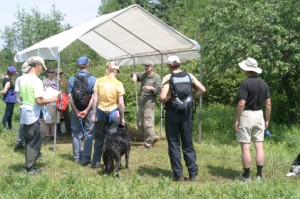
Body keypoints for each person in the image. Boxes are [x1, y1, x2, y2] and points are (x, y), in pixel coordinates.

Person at [160, 55, 206, 182]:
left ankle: (178, 175)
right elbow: (202, 89)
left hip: (172, 113)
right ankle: (193, 174)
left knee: (174, 144)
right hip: (187, 113)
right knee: (188, 143)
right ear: (179, 64)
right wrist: (192, 98)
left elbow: (163, 97)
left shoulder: (168, 77)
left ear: (169, 66)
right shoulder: (189, 76)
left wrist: (168, 99)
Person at [233, 57, 271, 181]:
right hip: (259, 114)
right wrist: (267, 119)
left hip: (247, 115)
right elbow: (268, 104)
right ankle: (259, 175)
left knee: (245, 146)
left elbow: (241, 103)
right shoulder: (264, 83)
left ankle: (247, 175)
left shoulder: (245, 84)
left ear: (247, 70)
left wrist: (237, 119)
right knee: (259, 145)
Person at [19, 56, 58, 174]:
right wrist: (52, 98)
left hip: (25, 112)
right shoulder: (36, 81)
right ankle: (29, 167)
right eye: (41, 67)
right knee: (35, 139)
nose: (42, 70)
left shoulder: (22, 79)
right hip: (35, 114)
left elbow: (21, 97)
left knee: (28, 139)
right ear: (38, 66)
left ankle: (29, 164)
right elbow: (39, 101)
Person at [91, 61, 125, 169]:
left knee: (99, 138)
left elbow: (95, 99)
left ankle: (95, 163)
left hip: (100, 111)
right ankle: (109, 164)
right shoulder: (118, 84)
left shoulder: (99, 81)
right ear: (115, 71)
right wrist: (122, 117)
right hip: (114, 112)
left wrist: (94, 113)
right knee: (111, 140)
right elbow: (121, 103)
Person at [68, 56, 96, 165]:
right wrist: (87, 110)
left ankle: (76, 158)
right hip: (88, 110)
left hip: (75, 109)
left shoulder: (72, 79)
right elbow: (93, 98)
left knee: (76, 134)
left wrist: (76, 111)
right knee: (89, 133)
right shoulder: (93, 79)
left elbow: (70, 97)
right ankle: (86, 158)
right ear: (88, 64)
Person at [131, 61, 161, 149]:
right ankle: (153, 136)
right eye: (145, 66)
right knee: (140, 124)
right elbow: (134, 73)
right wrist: (134, 76)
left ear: (152, 67)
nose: (146, 67)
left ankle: (148, 144)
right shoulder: (144, 75)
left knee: (148, 124)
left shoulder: (156, 77)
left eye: (148, 66)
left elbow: (159, 91)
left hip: (149, 104)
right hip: (142, 103)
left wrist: (151, 88)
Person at [14, 62, 31, 150]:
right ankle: (21, 142)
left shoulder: (19, 79)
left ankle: (20, 142)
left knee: (24, 124)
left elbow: (17, 93)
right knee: (25, 125)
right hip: (27, 104)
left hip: (24, 104)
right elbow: (18, 93)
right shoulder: (22, 79)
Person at [40, 67, 59, 142]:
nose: (52, 73)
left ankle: (54, 135)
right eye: (51, 72)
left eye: (53, 72)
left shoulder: (56, 81)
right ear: (47, 73)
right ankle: (47, 136)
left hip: (55, 102)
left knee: (55, 120)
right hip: (48, 102)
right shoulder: (44, 81)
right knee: (48, 121)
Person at [56, 69, 71, 134]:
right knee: (57, 116)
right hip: (56, 100)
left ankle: (68, 130)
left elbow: (67, 91)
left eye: (61, 73)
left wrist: (68, 100)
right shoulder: (54, 81)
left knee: (66, 115)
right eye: (58, 73)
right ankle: (58, 131)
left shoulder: (65, 81)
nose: (59, 75)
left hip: (64, 100)